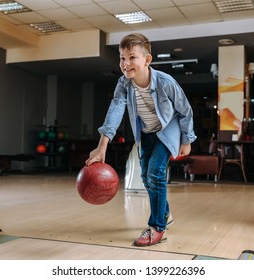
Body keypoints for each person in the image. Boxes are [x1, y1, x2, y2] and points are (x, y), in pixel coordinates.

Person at [85, 33, 196, 247]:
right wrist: (101, 146)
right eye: (122, 58)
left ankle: (157, 228)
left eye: (132, 57)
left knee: (155, 173)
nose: (126, 64)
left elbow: (185, 111)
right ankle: (164, 214)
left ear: (147, 60)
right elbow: (115, 110)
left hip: (167, 131)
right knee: (145, 177)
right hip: (145, 132)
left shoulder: (165, 83)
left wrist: (187, 139)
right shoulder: (123, 84)